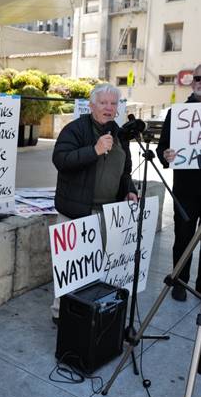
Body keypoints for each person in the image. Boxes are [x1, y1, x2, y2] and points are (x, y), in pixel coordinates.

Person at [51, 83, 138, 321]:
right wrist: (94, 150)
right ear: (91, 105)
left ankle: (89, 312)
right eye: (103, 103)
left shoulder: (120, 134)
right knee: (71, 268)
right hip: (78, 211)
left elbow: (125, 171)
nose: (109, 108)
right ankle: (61, 314)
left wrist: (129, 189)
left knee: (97, 267)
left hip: (108, 213)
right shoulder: (76, 129)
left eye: (113, 103)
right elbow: (60, 159)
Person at [156, 63, 201, 302]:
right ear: (193, 82)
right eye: (198, 78)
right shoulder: (178, 113)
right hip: (185, 188)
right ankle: (180, 282)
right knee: (183, 237)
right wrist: (167, 155)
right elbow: (162, 146)